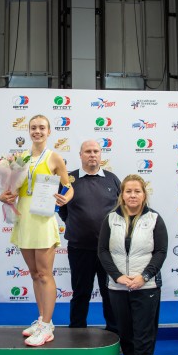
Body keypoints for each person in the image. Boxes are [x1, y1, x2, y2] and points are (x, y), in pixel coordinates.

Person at [0, 114, 74, 347]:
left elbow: (69, 186)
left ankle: (48, 326)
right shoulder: (19, 158)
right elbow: (11, 189)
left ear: (49, 131)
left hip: (42, 219)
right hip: (24, 218)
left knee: (45, 274)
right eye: (33, 127)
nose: (37, 131)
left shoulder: (54, 157)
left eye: (42, 127)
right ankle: (42, 319)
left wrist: (65, 198)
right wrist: (3, 196)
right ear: (28, 131)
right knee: (34, 274)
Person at [98, 174, 168, 355]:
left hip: (146, 287)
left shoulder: (154, 219)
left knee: (143, 336)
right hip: (118, 288)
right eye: (128, 191)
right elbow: (103, 251)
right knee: (125, 334)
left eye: (137, 191)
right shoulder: (111, 219)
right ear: (122, 195)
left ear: (144, 194)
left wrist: (144, 276)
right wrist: (117, 276)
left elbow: (161, 252)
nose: (133, 195)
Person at [58, 139, 120, 332]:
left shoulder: (112, 179)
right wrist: (78, 225)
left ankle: (114, 332)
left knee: (110, 292)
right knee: (80, 292)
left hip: (108, 249)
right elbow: (62, 209)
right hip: (79, 248)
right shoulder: (69, 179)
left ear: (101, 154)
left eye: (95, 151)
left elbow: (121, 209)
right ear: (80, 155)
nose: (92, 155)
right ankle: (76, 332)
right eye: (87, 151)